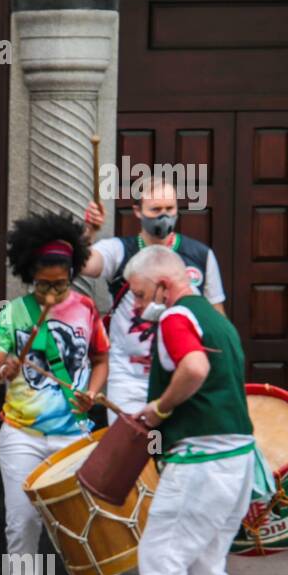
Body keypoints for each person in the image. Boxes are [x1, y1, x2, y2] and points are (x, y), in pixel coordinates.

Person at [113, 244, 263, 575]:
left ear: (163, 284)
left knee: (160, 559)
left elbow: (194, 368)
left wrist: (158, 409)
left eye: (138, 295)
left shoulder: (176, 318)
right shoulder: (217, 319)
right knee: (206, 565)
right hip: (236, 457)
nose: (136, 307)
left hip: (201, 458)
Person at [0, 212, 129, 575]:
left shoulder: (84, 309)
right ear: (31, 275)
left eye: (60, 283)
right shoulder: (13, 315)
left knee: (89, 519)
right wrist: (4, 368)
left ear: (71, 275)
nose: (51, 292)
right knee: (22, 522)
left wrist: (95, 392)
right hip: (22, 434)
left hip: (73, 432)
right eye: (44, 284)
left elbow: (100, 358)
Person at [81, 178, 226, 421]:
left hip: (179, 376)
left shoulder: (200, 255)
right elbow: (82, 264)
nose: (164, 216)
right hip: (130, 377)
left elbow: (217, 318)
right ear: (137, 211)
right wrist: (89, 232)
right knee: (127, 449)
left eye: (170, 209)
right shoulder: (119, 250)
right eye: (155, 210)